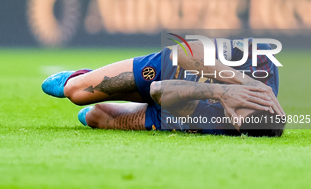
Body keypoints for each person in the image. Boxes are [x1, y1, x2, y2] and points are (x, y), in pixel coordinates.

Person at [42, 37, 285, 136]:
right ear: (258, 97)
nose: (230, 114)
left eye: (235, 122)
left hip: (175, 104)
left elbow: (159, 91)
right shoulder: (259, 58)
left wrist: (219, 92)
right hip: (170, 67)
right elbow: (183, 52)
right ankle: (80, 77)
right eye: (238, 109)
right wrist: (242, 82)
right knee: (76, 93)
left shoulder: (222, 124)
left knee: (95, 116)